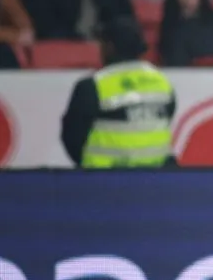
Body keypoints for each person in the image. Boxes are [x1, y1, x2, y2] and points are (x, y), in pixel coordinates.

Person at [60, 18, 177, 168]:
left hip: (104, 181)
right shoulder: (162, 81)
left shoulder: (93, 86)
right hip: (156, 178)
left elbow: (72, 138)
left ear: (109, 47)